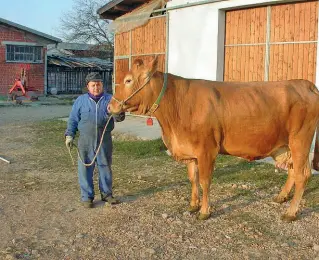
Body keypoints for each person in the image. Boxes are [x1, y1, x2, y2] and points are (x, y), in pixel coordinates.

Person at [65, 72, 125, 208]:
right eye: (93, 85)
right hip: (85, 141)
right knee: (85, 169)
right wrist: (69, 135)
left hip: (104, 140)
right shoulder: (80, 101)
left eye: (98, 84)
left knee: (105, 167)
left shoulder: (111, 99)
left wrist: (116, 112)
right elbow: (73, 119)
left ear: (102, 85)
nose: (96, 88)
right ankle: (87, 197)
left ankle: (107, 194)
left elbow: (119, 118)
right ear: (88, 86)